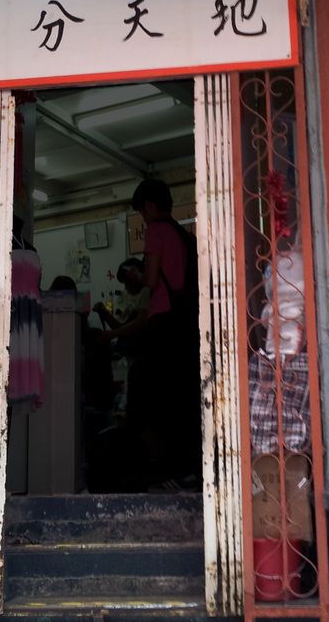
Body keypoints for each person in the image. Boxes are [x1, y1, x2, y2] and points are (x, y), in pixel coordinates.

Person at [128, 178, 200, 490]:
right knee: (184, 396)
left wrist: (137, 275)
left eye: (142, 213)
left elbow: (153, 279)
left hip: (163, 324)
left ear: (149, 207)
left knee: (158, 400)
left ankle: (166, 470)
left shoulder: (157, 231)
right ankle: (191, 468)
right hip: (185, 323)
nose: (144, 219)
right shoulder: (183, 235)